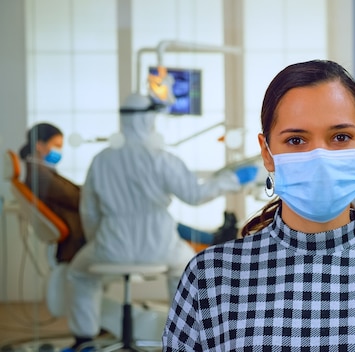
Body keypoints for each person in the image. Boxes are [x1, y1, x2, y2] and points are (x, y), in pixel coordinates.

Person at [162, 60, 355, 351]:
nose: (320, 158)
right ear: (267, 153)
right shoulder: (210, 276)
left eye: (340, 137)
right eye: (296, 140)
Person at [64, 93, 254, 351]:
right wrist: (233, 179)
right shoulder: (162, 159)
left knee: (79, 273)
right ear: (150, 120)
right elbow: (195, 195)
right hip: (161, 245)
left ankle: (84, 340)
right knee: (187, 272)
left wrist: (99, 242)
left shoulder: (101, 160)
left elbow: (89, 212)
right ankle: (187, 339)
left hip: (111, 244)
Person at [19, 123, 86, 263]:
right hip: (74, 236)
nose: (59, 150)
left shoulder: (44, 171)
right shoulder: (39, 175)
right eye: (56, 145)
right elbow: (72, 197)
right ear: (39, 145)